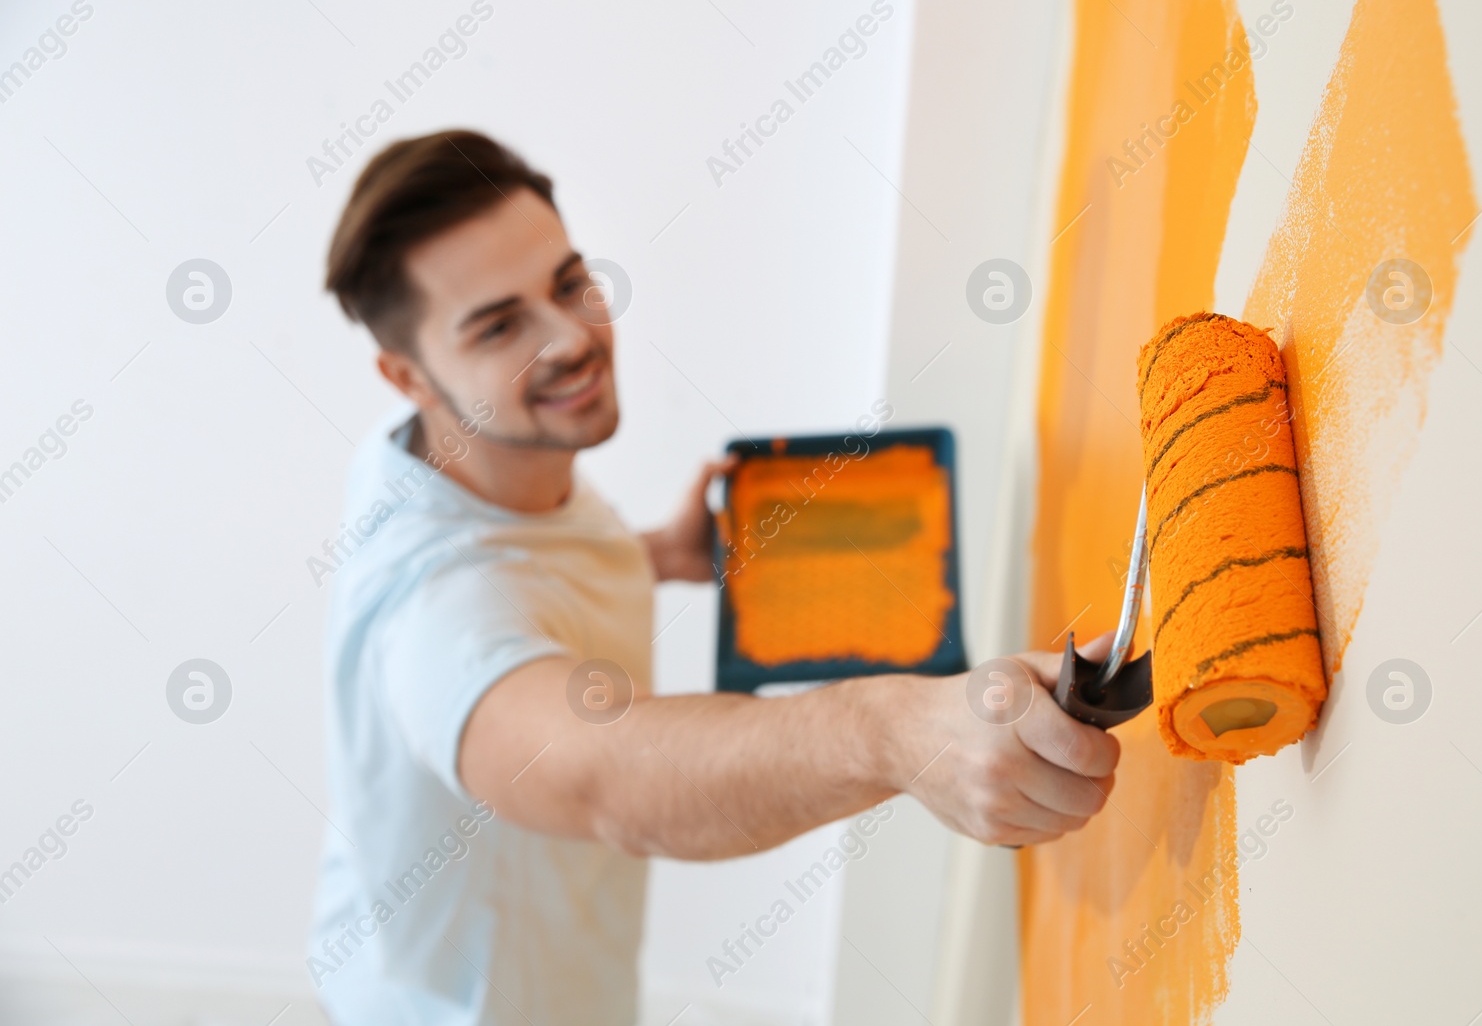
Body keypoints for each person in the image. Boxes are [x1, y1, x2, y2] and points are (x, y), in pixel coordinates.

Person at [306, 129, 1121, 1024]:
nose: (571, 339)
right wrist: (896, 731)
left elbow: (520, 576)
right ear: (408, 375)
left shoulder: (437, 461)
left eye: (570, 282)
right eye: (500, 325)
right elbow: (603, 776)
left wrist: (649, 555)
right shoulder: (433, 613)